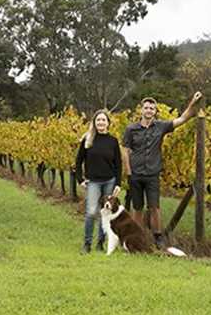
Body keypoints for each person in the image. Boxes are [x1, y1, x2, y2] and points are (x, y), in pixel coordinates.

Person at [121, 92, 203, 249]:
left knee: (154, 207)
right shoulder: (131, 129)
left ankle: (158, 237)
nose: (149, 110)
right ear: (141, 110)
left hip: (152, 174)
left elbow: (182, 119)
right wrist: (128, 171)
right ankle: (136, 237)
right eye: (146, 107)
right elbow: (125, 150)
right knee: (137, 208)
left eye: (152, 108)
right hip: (136, 174)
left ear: (155, 111)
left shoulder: (161, 126)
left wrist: (192, 102)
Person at [74, 109, 122, 253]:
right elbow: (78, 160)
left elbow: (118, 164)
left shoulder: (113, 141)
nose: (101, 122)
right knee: (90, 212)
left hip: (109, 181)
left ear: (108, 123)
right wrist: (80, 179)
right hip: (93, 182)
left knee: (105, 213)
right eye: (98, 120)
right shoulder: (87, 139)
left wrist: (118, 183)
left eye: (103, 120)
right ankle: (87, 244)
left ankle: (100, 243)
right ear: (94, 123)